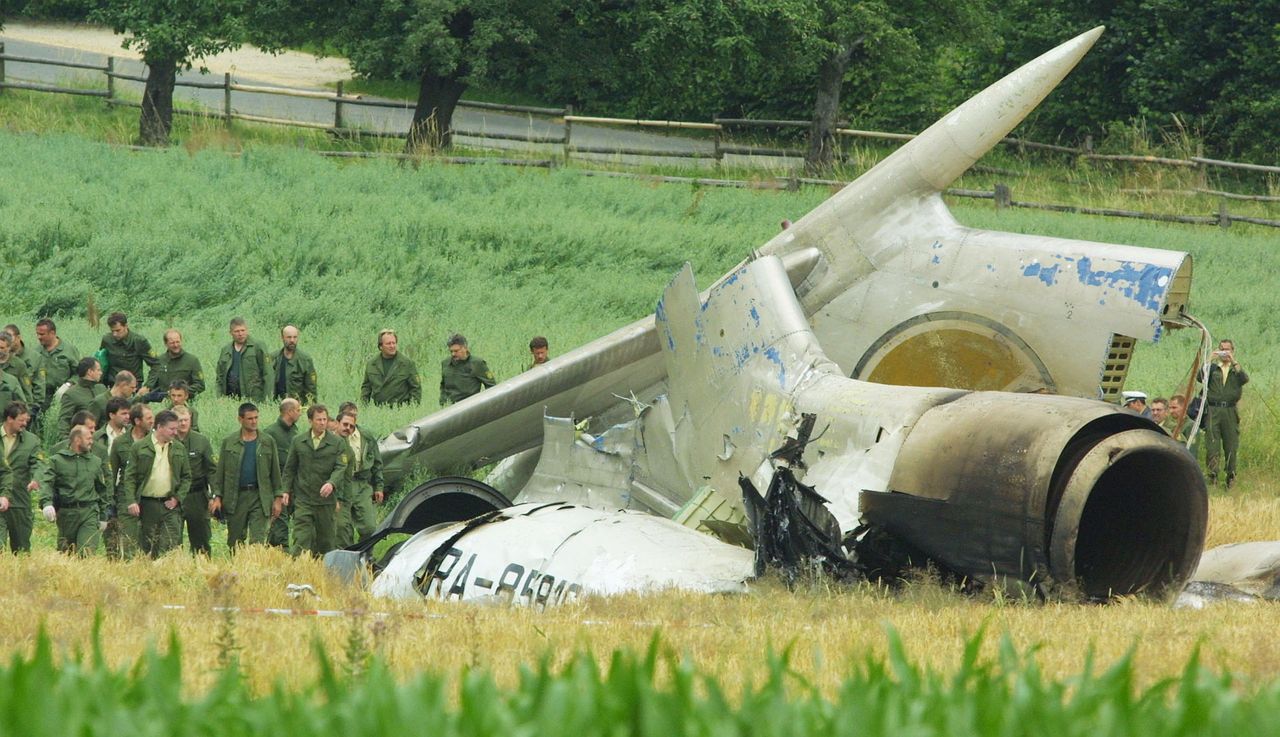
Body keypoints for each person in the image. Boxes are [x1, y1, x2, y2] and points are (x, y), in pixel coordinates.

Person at [211, 403, 283, 549]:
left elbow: (275, 472)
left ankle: (254, 563)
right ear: (240, 419)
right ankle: (237, 563)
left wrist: (278, 498)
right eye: (250, 418)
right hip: (236, 497)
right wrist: (217, 497)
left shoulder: (267, 441)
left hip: (260, 496)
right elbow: (220, 473)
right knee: (235, 541)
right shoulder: (229, 442)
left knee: (258, 540)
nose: (254, 421)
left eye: (256, 418)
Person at [123, 409, 192, 558]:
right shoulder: (139, 447)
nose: (175, 432)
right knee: (148, 546)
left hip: (170, 505)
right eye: (171, 429)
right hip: (147, 505)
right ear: (159, 427)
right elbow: (129, 477)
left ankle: (167, 570)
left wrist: (177, 498)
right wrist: (131, 501)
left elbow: (187, 477)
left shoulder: (179, 448)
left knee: (170, 545)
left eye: (176, 429)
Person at [283, 404, 349, 557]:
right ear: (310, 421)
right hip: (304, 499)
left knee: (326, 542)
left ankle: (323, 569)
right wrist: (285, 490)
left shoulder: (337, 442)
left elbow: (341, 467)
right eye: (319, 420)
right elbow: (290, 469)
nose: (322, 423)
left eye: (324, 419)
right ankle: (298, 568)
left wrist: (331, 483)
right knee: (301, 539)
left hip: (326, 501)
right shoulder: (298, 441)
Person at [36, 426, 109, 555]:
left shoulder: (95, 461)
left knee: (86, 552)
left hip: (89, 512)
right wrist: (46, 504)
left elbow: (102, 490)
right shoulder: (57, 460)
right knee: (66, 553)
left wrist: (103, 516)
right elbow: (47, 483)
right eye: (88, 438)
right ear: (77, 440)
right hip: (66, 514)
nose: (91, 442)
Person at [105, 403, 153, 559]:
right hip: (126, 494)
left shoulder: (155, 440)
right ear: (138, 421)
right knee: (128, 539)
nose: (152, 421)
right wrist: (110, 498)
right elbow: (112, 473)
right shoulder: (120, 442)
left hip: (149, 493)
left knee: (149, 538)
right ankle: (129, 566)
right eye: (148, 418)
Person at [1200, 339, 1249, 488]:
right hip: (1213, 410)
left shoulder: (1236, 369)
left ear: (1232, 351)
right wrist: (1209, 359)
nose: (1225, 352)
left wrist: (1233, 361)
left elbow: (1244, 379)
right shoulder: (1213, 368)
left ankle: (1230, 475)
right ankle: (1212, 476)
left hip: (1230, 410)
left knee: (1231, 444)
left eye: (1227, 349)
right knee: (1212, 444)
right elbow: (1200, 377)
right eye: (1222, 349)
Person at [335, 405, 383, 544]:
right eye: (345, 423)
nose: (348, 427)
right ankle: (346, 554)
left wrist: (379, 487)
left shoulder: (366, 436)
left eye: (352, 423)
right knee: (343, 528)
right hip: (341, 485)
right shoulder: (334, 438)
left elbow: (377, 463)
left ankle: (365, 552)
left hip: (362, 484)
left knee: (369, 527)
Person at [0, 401, 43, 553]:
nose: (25, 423)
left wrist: (36, 479)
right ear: (9, 419)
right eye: (21, 420)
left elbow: (38, 463)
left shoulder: (32, 441)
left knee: (22, 549)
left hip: (19, 500)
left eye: (27, 420)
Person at [173, 405, 216, 555]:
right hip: (174, 495)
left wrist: (214, 495)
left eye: (186, 420)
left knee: (201, 539)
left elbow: (211, 470)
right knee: (172, 539)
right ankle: (175, 565)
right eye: (180, 420)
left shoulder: (201, 441)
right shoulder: (167, 440)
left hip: (196, 495)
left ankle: (203, 565)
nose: (183, 423)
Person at [262, 398, 302, 549]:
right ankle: (279, 552)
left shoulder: (295, 431)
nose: (300, 413)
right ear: (289, 412)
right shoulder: (270, 433)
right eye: (298, 410)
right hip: (277, 487)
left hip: (294, 485)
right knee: (280, 525)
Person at [361, 329, 421, 406]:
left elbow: (416, 388)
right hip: (379, 409)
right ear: (380, 346)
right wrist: (364, 406)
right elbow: (366, 388)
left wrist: (413, 407)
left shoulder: (407, 364)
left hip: (400, 408)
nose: (392, 346)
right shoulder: (372, 364)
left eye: (394, 343)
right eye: (388, 344)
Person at [216, 317, 269, 401]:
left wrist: (267, 398)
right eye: (237, 331)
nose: (240, 334)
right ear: (230, 333)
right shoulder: (225, 350)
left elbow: (268, 373)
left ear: (247, 330)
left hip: (253, 398)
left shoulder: (258, 346)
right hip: (230, 399)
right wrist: (219, 397)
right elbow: (220, 376)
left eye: (243, 330)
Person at [99, 312, 158, 387]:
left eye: (118, 330)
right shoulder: (107, 340)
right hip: (113, 385)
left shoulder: (139, 341)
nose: (115, 334)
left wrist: (148, 386)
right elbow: (102, 361)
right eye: (112, 331)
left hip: (132, 386)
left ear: (126, 326)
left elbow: (156, 363)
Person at [31, 318, 80, 409]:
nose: (39, 337)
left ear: (52, 333)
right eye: (37, 334)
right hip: (42, 398)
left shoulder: (68, 350)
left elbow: (79, 373)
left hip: (64, 396)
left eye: (42, 334)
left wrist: (68, 384)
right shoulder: (36, 352)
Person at [145, 329, 205, 400]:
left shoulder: (192, 360)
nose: (176, 345)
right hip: (164, 403)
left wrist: (181, 392)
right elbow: (152, 385)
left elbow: (200, 385)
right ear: (166, 344)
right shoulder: (159, 361)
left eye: (178, 342)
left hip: (186, 403)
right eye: (172, 343)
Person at [440, 333, 495, 405]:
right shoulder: (445, 363)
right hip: (451, 407)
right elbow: (443, 386)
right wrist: (443, 402)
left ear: (465, 348)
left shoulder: (477, 363)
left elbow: (491, 385)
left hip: (470, 405)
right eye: (451, 351)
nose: (453, 354)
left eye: (456, 351)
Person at [56, 357, 106, 436]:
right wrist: (67, 440)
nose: (101, 373)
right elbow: (64, 421)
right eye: (98, 370)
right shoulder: (71, 394)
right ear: (90, 372)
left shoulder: (101, 389)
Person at [272, 325, 318, 404]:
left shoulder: (305, 360)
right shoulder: (274, 358)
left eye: (295, 337)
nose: (292, 340)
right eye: (289, 337)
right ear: (282, 338)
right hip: (276, 404)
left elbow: (311, 388)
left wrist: (309, 406)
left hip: (297, 405)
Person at [0, 332, 33, 403]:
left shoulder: (19, 365)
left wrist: (28, 407)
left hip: (11, 405)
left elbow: (26, 389)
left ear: (9, 347)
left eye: (2, 348)